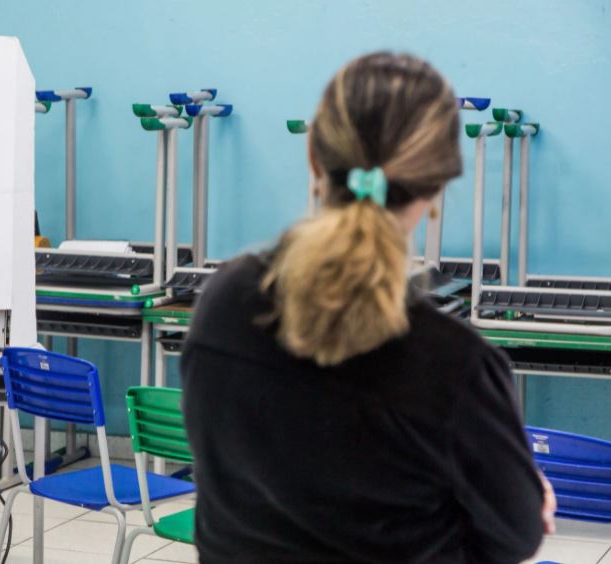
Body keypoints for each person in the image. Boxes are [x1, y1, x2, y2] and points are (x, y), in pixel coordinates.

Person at [181, 52, 554, 564]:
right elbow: (516, 538)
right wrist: (530, 503)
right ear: (437, 186)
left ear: (313, 157)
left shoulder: (223, 303)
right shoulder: (457, 365)